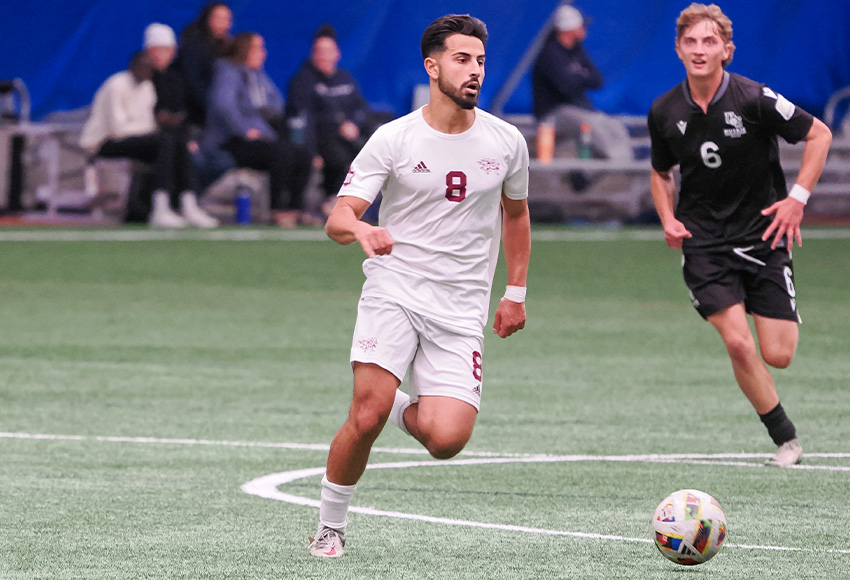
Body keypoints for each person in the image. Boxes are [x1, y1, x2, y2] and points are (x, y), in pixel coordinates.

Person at [308, 14, 531, 558]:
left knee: (446, 439)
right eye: (461, 59)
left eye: (479, 60)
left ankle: (392, 400)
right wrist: (362, 227)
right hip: (395, 290)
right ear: (432, 67)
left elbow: (517, 216)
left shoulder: (506, 141)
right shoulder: (395, 138)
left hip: (460, 308)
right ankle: (330, 524)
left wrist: (515, 292)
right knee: (364, 416)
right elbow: (337, 218)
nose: (474, 70)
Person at [647, 3, 832, 467]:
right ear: (677, 48)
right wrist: (667, 217)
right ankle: (786, 439)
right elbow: (660, 172)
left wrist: (797, 199)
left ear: (727, 50)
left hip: (764, 236)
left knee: (779, 354)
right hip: (704, 243)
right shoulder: (664, 111)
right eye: (690, 41)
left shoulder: (755, 99)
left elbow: (821, 135)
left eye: (709, 41)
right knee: (737, 342)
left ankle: (759, 295)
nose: (699, 50)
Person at [80, 25, 216, 228]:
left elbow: (147, 124)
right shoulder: (116, 85)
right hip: (104, 143)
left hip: (135, 139)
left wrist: (163, 124)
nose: (146, 70)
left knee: (177, 139)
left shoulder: (147, 88)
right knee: (164, 140)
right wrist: (155, 129)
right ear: (132, 66)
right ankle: (159, 207)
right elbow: (117, 129)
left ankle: (188, 203)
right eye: (142, 65)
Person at [204, 32, 313, 227]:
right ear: (246, 49)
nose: (264, 52)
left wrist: (267, 113)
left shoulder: (258, 75)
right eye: (258, 48)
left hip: (262, 137)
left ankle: (295, 209)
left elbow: (277, 103)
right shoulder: (228, 71)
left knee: (302, 155)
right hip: (234, 139)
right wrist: (245, 129)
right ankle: (277, 210)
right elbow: (223, 105)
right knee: (281, 154)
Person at [287, 24, 375, 216]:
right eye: (320, 51)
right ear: (313, 54)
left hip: (350, 137)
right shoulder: (303, 81)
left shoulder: (345, 78)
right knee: (338, 157)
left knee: (369, 153)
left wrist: (353, 123)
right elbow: (302, 120)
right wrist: (311, 152)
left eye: (329, 51)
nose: (325, 56)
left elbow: (361, 107)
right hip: (321, 139)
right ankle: (333, 199)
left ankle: (360, 204)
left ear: (337, 54)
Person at [532, 4, 633, 164]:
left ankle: (626, 163)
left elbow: (597, 80)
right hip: (553, 114)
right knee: (591, 124)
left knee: (613, 125)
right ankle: (618, 164)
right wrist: (581, 76)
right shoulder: (549, 54)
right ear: (568, 28)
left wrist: (577, 77)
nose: (583, 28)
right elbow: (566, 86)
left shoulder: (576, 50)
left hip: (577, 109)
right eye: (580, 25)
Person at [175, 2, 233, 128]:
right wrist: (216, 106)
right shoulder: (194, 46)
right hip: (198, 113)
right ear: (207, 19)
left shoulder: (228, 48)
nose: (224, 24)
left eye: (227, 19)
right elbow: (193, 83)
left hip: (222, 111)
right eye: (219, 18)